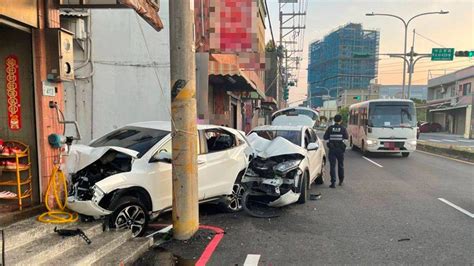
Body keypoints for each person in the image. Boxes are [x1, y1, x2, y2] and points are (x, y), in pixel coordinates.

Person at [323, 114, 348, 188]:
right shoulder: (343, 128)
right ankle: (341, 181)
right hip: (340, 149)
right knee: (341, 165)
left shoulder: (330, 128)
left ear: (334, 120)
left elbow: (325, 137)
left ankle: (333, 183)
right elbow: (346, 137)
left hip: (332, 149)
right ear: (341, 120)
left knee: (332, 166)